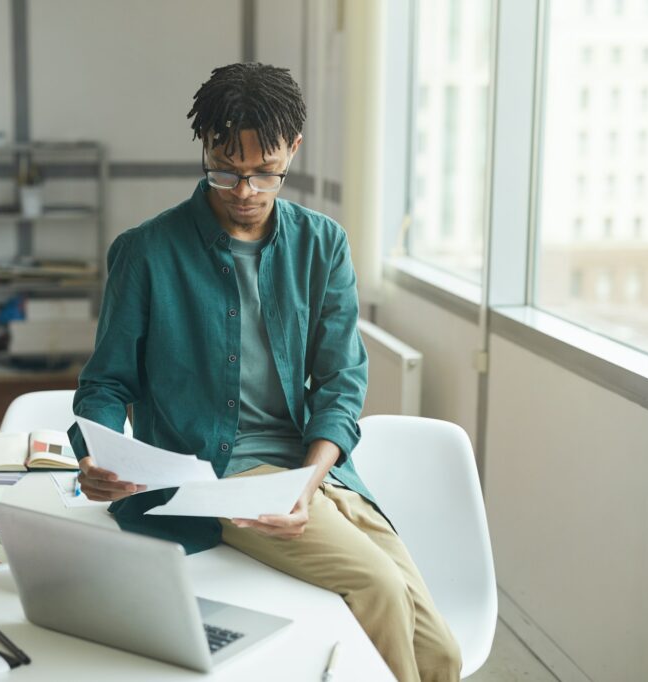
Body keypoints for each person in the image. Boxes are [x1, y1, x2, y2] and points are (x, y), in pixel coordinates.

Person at [66, 62, 461, 681]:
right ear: (204, 150)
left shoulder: (321, 244)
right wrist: (97, 455)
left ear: (292, 152)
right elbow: (107, 383)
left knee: (443, 653)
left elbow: (340, 382)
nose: (244, 190)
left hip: (312, 470)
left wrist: (308, 480)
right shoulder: (146, 252)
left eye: (265, 172)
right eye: (225, 170)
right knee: (380, 587)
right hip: (217, 474)